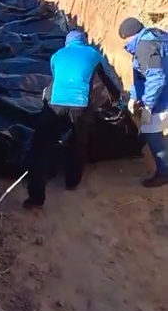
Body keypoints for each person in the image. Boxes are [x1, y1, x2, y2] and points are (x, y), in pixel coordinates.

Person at [24, 29, 121, 209]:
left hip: (55, 104)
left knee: (41, 147)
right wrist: (118, 98)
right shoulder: (93, 54)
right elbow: (107, 79)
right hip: (80, 106)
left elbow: (57, 80)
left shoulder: (57, 55)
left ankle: (36, 198)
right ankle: (72, 181)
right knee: (78, 143)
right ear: (84, 41)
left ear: (67, 43)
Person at [118, 17, 168, 187]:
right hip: (163, 95)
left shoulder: (145, 46)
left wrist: (147, 104)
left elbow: (156, 78)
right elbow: (142, 77)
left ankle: (164, 172)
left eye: (125, 40)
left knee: (150, 131)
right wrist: (133, 94)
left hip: (162, 99)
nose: (125, 45)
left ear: (130, 35)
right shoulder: (156, 38)